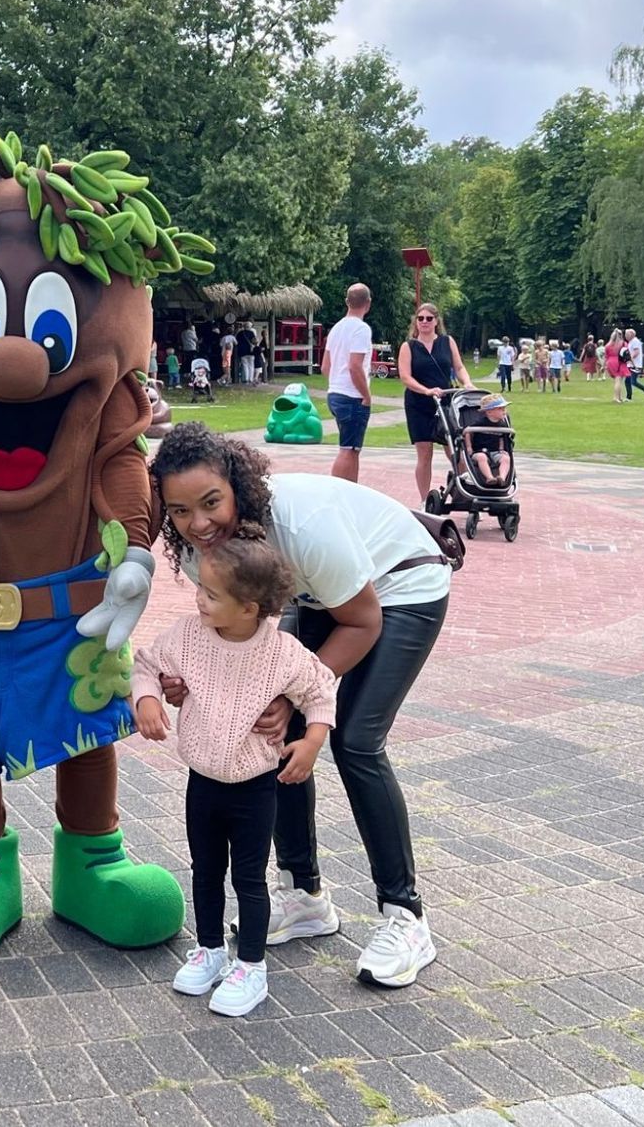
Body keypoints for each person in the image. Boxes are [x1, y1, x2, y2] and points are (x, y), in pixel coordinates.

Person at [150, 425, 452, 989]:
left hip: (399, 587)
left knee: (354, 739)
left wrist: (293, 695)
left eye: (211, 501)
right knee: (271, 734)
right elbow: (242, 641)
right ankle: (305, 895)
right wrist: (193, 683)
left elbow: (363, 622)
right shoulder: (203, 554)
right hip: (318, 594)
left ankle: (406, 916)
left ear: (237, 484)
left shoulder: (301, 525)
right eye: (181, 510)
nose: (199, 523)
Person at [132, 529, 335, 1018]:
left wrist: (311, 742)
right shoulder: (186, 636)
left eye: (211, 594)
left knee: (249, 877)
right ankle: (209, 950)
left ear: (249, 607)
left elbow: (321, 690)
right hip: (202, 782)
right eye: (200, 588)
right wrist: (147, 699)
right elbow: (145, 663)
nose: (199, 600)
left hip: (255, 788)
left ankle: (252, 966)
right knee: (205, 870)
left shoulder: (282, 651)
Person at [398, 303, 473, 505]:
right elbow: (405, 377)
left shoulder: (447, 342)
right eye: (420, 318)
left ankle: (465, 492)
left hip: (445, 400)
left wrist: (467, 382)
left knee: (454, 448)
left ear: (436, 321)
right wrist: (426, 390)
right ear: (416, 321)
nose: (424, 322)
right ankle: (424, 500)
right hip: (419, 403)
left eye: (429, 319)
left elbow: (458, 366)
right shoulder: (409, 346)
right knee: (424, 452)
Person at [322, 284, 374, 482]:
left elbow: (326, 366)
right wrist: (366, 395)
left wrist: (336, 382)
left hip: (335, 392)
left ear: (347, 302)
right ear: (367, 304)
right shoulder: (361, 329)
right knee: (348, 449)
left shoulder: (336, 328)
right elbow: (355, 366)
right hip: (352, 396)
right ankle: (337, 489)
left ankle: (351, 489)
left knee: (352, 448)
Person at [464, 394, 513, 485]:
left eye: (504, 409)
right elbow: (468, 432)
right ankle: (489, 478)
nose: (504, 411)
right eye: (500, 409)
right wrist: (469, 447)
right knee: (481, 457)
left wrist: (502, 449)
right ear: (489, 412)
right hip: (479, 451)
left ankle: (502, 478)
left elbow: (502, 438)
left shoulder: (502, 425)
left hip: (495, 451)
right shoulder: (480, 422)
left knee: (506, 458)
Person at [624, 328, 644, 401]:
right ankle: (629, 397)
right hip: (631, 364)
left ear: (632, 334)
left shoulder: (635, 341)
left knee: (632, 381)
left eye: (627, 334)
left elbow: (636, 352)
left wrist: (630, 358)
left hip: (635, 364)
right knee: (628, 380)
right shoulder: (631, 342)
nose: (625, 336)